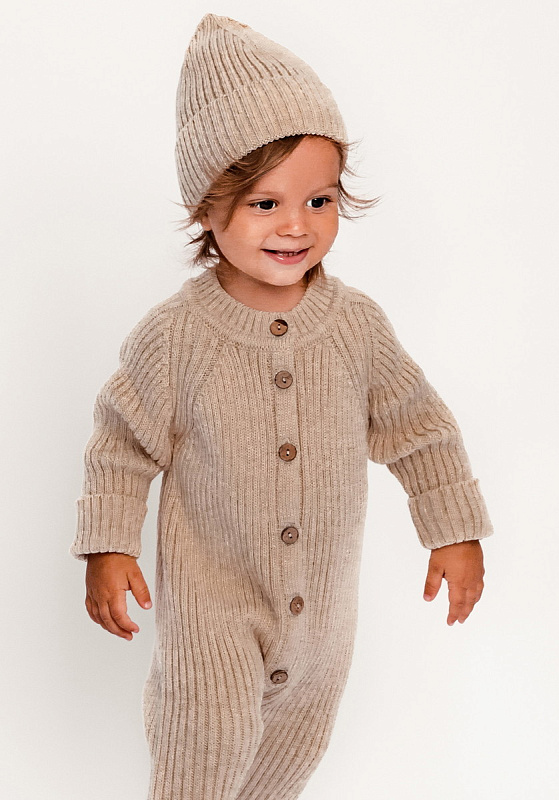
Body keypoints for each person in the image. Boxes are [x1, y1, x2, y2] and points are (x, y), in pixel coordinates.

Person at [71, 14, 494, 800]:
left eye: (319, 199)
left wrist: (453, 528)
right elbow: (121, 445)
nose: (296, 225)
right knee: (206, 742)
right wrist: (108, 544)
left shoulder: (355, 327)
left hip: (322, 615)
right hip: (213, 605)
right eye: (264, 203)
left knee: (291, 752)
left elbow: (420, 427)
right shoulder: (175, 336)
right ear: (207, 208)